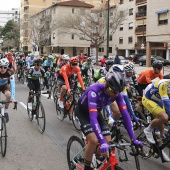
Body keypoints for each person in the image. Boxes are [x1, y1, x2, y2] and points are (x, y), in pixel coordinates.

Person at [75, 71, 143, 170]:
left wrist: (133, 139)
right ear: (107, 86)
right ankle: (87, 167)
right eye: (114, 91)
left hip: (96, 112)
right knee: (94, 140)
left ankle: (97, 158)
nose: (116, 94)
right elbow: (93, 118)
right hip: (83, 113)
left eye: (118, 92)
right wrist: (101, 141)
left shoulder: (117, 94)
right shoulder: (94, 92)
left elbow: (125, 115)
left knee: (108, 141)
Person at [142, 78, 170, 161]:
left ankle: (159, 147)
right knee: (164, 117)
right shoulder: (164, 84)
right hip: (148, 99)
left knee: (161, 126)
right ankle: (148, 130)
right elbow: (167, 103)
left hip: (159, 100)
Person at [0, 58, 15, 123]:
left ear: (7, 67)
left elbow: (12, 85)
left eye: (5, 67)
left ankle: (6, 111)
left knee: (9, 95)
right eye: (1, 67)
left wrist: (13, 98)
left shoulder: (10, 72)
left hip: (4, 85)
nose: (3, 69)